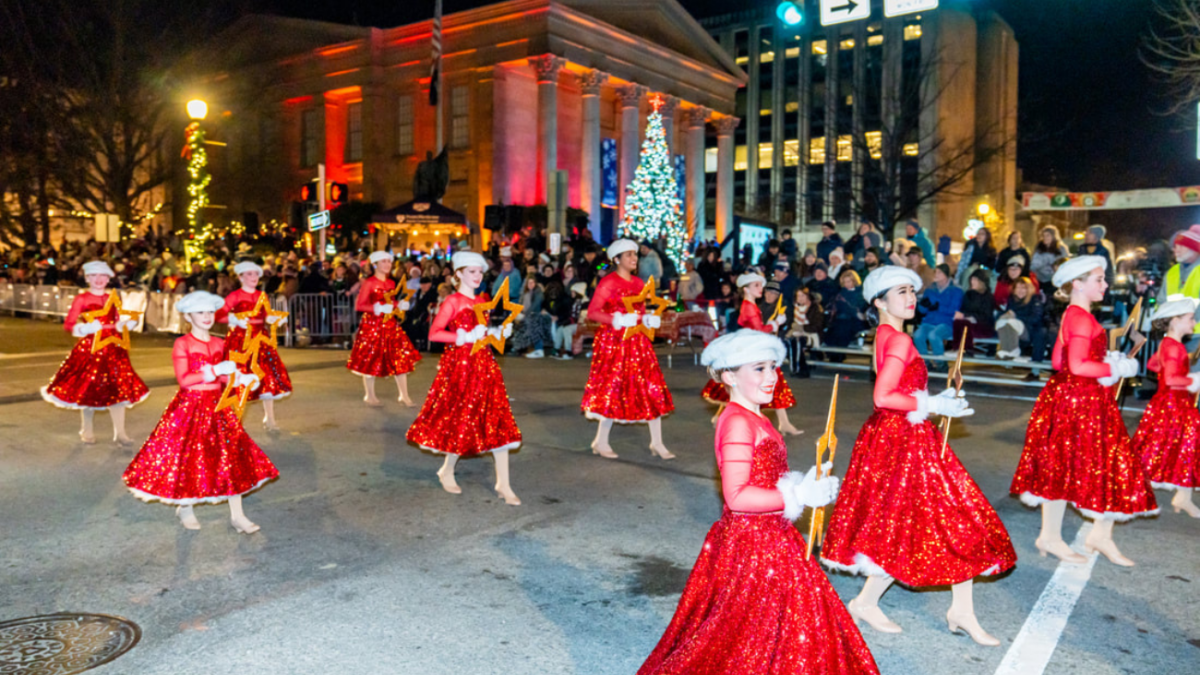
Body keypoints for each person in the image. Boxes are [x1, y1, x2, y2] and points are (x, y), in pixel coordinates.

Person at [638, 329, 877, 674]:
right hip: (753, 542)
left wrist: (808, 482)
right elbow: (736, 497)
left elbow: (765, 476)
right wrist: (797, 494)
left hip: (771, 533)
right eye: (759, 369)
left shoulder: (755, 416)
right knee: (749, 633)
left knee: (774, 626)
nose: (772, 377)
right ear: (730, 376)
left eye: (773, 367)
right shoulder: (736, 421)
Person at [821, 266, 1016, 646]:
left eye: (913, 290)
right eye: (901, 291)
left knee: (909, 523)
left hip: (895, 437)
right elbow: (883, 396)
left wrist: (932, 404)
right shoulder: (898, 341)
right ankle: (886, 603)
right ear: (879, 301)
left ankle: (878, 602)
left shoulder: (885, 335)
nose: (911, 297)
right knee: (952, 518)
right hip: (904, 441)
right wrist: (934, 402)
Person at [1011, 256, 1158, 567]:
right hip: (1081, 402)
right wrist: (1115, 366)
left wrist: (1105, 359)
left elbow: (1057, 362)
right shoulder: (1080, 317)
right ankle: (1067, 536)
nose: (1105, 284)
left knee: (1065, 467)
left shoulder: (1073, 314)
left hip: (1076, 399)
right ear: (1077, 283)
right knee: (1103, 464)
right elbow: (1076, 365)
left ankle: (1071, 535)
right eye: (1099, 279)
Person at [122, 290, 277, 534]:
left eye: (209, 312)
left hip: (218, 405)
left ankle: (238, 515)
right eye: (200, 312)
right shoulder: (182, 343)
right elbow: (184, 379)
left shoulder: (219, 343)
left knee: (230, 455)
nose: (206, 316)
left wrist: (242, 379)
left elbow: (226, 376)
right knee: (189, 458)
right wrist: (214, 371)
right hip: (190, 405)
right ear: (188, 316)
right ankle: (185, 507)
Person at [406, 251, 523, 506]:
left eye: (480, 271)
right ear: (458, 274)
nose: (478, 276)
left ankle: (503, 482)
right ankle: (447, 469)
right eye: (472, 271)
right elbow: (435, 333)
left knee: (496, 419)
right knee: (459, 420)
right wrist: (462, 337)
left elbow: (484, 336)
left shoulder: (483, 300)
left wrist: (498, 332)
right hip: (459, 366)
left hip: (484, 365)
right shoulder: (453, 301)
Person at [581, 239, 675, 460]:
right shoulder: (608, 283)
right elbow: (593, 312)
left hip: (637, 342)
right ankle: (601, 441)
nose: (634, 259)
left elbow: (640, 312)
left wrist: (647, 319)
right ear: (617, 259)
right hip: (614, 343)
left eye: (635, 254)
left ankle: (657, 442)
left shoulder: (638, 284)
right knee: (612, 390)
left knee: (651, 386)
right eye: (628, 255)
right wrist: (617, 319)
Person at [41, 261, 148, 445]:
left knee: (118, 390)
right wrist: (84, 328)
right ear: (88, 278)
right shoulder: (81, 299)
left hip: (114, 350)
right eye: (94, 276)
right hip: (90, 350)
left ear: (108, 279)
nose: (99, 280)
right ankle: (87, 429)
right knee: (88, 389)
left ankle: (120, 432)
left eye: (103, 276)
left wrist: (124, 325)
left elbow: (116, 320)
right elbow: (69, 324)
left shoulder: (113, 298)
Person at [700, 273, 802, 436]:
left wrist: (771, 324)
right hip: (753, 354)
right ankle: (777, 424)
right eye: (756, 286)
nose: (760, 289)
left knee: (773, 383)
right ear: (746, 289)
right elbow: (758, 331)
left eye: (760, 285)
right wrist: (775, 324)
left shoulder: (751, 305)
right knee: (756, 386)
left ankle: (784, 423)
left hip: (756, 351)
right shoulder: (748, 306)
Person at [1133, 299, 1200, 518]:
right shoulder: (1175, 346)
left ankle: (1184, 497)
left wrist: (1181, 362)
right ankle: (1131, 493)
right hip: (1174, 405)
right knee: (1161, 452)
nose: (1193, 322)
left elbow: (1154, 364)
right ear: (1175, 320)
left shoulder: (1168, 344)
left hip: (1171, 403)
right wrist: (1193, 378)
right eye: (1189, 318)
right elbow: (1171, 379)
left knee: (1186, 449)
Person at [216, 261, 292, 431]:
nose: (253, 278)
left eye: (256, 274)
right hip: (239, 341)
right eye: (249, 274)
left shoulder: (262, 296)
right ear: (241, 277)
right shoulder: (234, 296)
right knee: (238, 379)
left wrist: (272, 319)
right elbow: (218, 315)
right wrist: (233, 319)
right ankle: (236, 421)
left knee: (267, 378)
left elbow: (265, 315)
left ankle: (270, 419)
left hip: (260, 339)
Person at [346, 251, 422, 407]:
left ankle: (404, 395)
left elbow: (391, 302)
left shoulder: (391, 283)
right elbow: (359, 305)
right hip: (372, 325)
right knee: (370, 358)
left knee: (399, 357)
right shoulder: (369, 283)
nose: (388, 264)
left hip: (389, 324)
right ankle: (370, 395)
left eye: (389, 261)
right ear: (375, 265)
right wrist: (377, 308)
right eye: (384, 261)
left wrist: (399, 305)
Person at [913, 264, 963, 358]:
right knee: (917, 335)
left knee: (933, 335)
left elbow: (954, 310)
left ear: (946, 275)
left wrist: (938, 307)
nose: (936, 274)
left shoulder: (956, 290)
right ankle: (925, 363)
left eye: (939, 272)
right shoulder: (929, 290)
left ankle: (940, 364)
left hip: (947, 323)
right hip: (929, 322)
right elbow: (922, 312)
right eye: (935, 272)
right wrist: (923, 306)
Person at [996, 276, 1047, 365]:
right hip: (1014, 328)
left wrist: (1016, 316)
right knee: (1002, 322)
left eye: (1023, 288)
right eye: (1018, 288)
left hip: (1029, 331)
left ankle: (1013, 351)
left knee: (1011, 322)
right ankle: (1007, 350)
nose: (1020, 290)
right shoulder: (1011, 299)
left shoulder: (1035, 299)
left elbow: (1036, 318)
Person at [1160, 225, 1200, 331]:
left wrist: (1187, 324)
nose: (1175, 250)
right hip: (1175, 333)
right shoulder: (1171, 272)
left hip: (1196, 334)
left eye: (1181, 246)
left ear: (1193, 248)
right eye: (1175, 246)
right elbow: (1161, 302)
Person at [784, 287, 824, 378]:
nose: (800, 298)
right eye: (798, 296)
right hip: (796, 333)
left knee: (797, 341)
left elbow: (817, 326)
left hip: (812, 335)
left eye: (802, 295)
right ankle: (799, 368)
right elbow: (790, 323)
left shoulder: (816, 308)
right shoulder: (794, 308)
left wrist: (802, 328)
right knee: (790, 341)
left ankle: (799, 369)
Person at [955, 269, 997, 354]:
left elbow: (987, 316)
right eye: (972, 279)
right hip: (969, 323)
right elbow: (964, 309)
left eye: (975, 280)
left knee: (964, 327)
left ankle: (966, 349)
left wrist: (968, 316)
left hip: (983, 325)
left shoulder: (988, 297)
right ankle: (962, 349)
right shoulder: (968, 294)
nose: (972, 282)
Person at [824, 269, 866, 350]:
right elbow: (840, 307)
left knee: (842, 331)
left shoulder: (861, 293)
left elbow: (862, 307)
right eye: (845, 282)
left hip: (855, 321)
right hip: (842, 319)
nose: (847, 284)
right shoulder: (841, 294)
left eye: (849, 281)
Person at [511, 276, 550, 359]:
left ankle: (539, 350)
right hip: (526, 314)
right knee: (515, 321)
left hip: (537, 314)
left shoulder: (538, 293)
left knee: (534, 323)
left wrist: (525, 315)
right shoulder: (524, 293)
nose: (531, 284)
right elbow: (520, 305)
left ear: (535, 284)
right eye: (529, 283)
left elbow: (535, 306)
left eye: (532, 282)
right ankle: (519, 347)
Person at [1075, 225, 1114, 289]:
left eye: (1089, 233)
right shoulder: (1081, 249)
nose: (1086, 235)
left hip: (1098, 285)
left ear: (1096, 236)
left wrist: (1107, 284)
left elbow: (1108, 270)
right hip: (1084, 285)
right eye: (1086, 233)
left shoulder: (1103, 251)